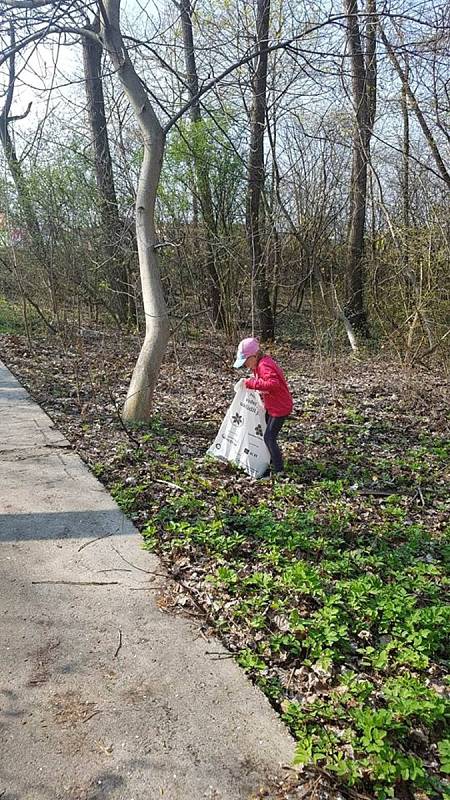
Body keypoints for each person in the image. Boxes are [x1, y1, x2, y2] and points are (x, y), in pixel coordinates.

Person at [233, 337, 293, 476]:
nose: (246, 366)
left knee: (269, 437)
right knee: (265, 433)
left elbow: (273, 384)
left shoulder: (264, 365)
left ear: (254, 356)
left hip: (280, 408)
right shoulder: (260, 364)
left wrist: (252, 384)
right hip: (272, 406)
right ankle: (268, 459)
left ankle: (279, 470)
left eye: (246, 362)